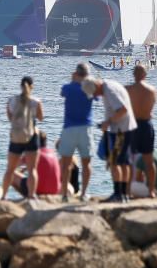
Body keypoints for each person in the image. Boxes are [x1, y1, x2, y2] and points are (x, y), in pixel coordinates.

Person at [81, 75, 137, 203]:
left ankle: (118, 194)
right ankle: (123, 194)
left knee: (115, 162)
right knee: (124, 162)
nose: (97, 96)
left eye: (95, 93)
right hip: (125, 128)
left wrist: (108, 122)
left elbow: (123, 110)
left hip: (120, 130)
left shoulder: (109, 91)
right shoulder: (110, 86)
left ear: (96, 86)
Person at [1, 76, 44, 200]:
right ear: (32, 87)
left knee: (10, 169)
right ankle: (31, 195)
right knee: (32, 170)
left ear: (20, 86)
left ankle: (3, 196)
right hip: (31, 136)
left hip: (16, 136)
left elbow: (10, 119)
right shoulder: (36, 102)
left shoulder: (11, 101)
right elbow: (41, 118)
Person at [58, 63, 94, 202]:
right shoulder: (90, 88)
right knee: (86, 163)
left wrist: (73, 81)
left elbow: (62, 93)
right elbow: (97, 95)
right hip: (86, 127)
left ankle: (64, 195)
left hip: (69, 128)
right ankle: (84, 193)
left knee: (66, 163)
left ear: (76, 73)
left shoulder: (69, 87)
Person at [126, 65, 157, 197]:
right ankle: (151, 190)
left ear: (134, 75)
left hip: (133, 125)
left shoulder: (127, 90)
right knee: (149, 160)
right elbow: (151, 109)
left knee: (129, 160)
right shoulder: (152, 90)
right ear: (145, 75)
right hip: (146, 125)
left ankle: (128, 190)